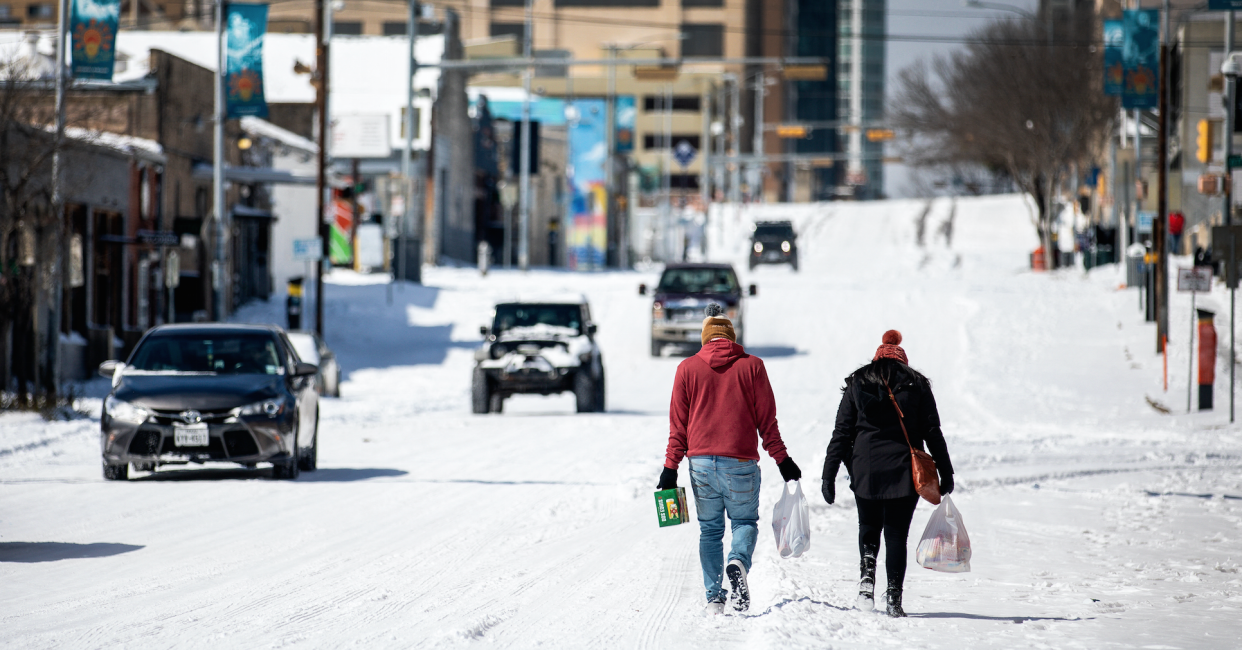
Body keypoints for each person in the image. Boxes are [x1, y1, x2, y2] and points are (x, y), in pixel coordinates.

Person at [657, 303, 801, 615]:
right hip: (741, 463)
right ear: (732, 338)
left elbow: (677, 427)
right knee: (744, 522)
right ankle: (738, 560)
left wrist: (670, 468)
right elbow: (768, 422)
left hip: (702, 465)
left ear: (704, 338)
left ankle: (714, 599)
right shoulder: (753, 366)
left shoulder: (686, 369)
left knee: (709, 530)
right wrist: (782, 460)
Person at [821, 330, 954, 618]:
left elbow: (842, 432)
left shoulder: (858, 382)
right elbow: (933, 432)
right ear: (902, 359)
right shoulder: (917, 384)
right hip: (904, 471)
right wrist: (945, 471)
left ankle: (866, 582)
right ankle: (894, 598)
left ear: (877, 356)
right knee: (896, 535)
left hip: (865, 469)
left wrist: (828, 475)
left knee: (868, 526)